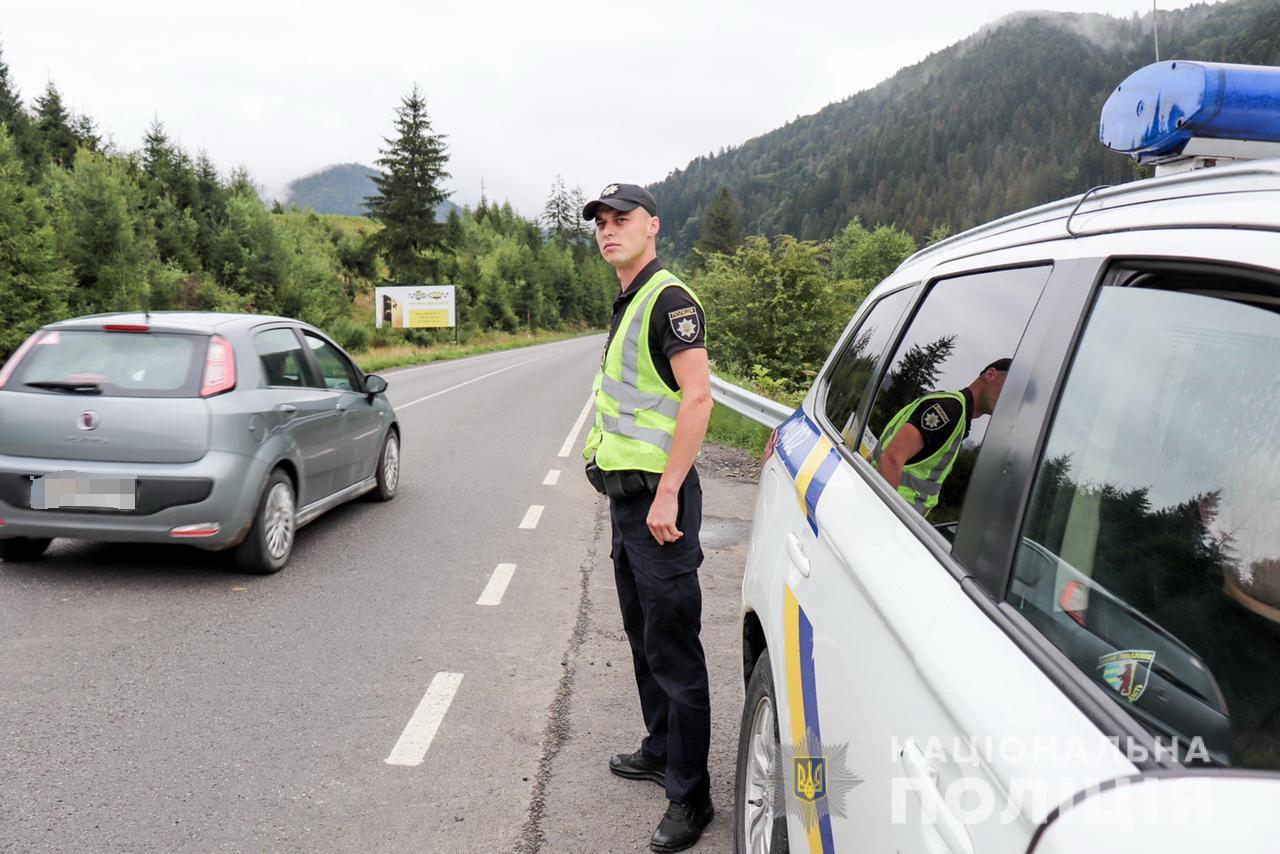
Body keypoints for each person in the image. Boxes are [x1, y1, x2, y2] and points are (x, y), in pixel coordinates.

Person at [579, 182, 715, 852]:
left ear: (653, 226)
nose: (608, 230)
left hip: (662, 507)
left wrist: (667, 495)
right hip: (628, 503)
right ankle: (661, 749)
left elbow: (697, 400)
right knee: (643, 637)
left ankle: (692, 798)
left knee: (675, 649)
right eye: (600, 223)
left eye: (621, 219)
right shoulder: (629, 299)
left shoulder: (670, 299)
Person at [871, 358, 1011, 517]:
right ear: (990, 374)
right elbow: (891, 459)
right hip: (885, 517)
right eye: (1010, 389)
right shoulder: (949, 411)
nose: (1010, 400)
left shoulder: (957, 416)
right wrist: (883, 519)